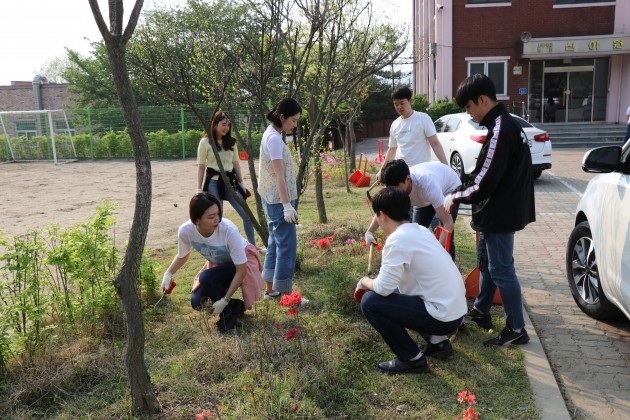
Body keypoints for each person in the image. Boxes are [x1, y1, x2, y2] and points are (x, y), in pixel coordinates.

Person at [444, 73, 535, 347]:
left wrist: (456, 196)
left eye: (469, 107)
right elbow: (485, 171)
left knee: (502, 269)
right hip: (498, 211)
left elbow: (484, 180)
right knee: (487, 263)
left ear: (482, 100)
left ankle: (516, 329)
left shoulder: (500, 130)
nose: (469, 113)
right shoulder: (503, 125)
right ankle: (482, 312)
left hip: (501, 213)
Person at [355, 187, 467, 374]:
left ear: (382, 216)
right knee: (391, 292)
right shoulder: (420, 230)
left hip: (443, 317)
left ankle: (412, 359)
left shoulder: (397, 240)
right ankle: (438, 343)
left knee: (371, 302)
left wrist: (364, 281)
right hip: (454, 310)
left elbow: (382, 289)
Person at [161, 192, 264, 333]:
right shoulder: (186, 231)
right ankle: (236, 307)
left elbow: (241, 269)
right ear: (196, 220)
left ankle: (228, 319)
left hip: (243, 263)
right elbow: (183, 254)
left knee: (207, 278)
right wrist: (168, 273)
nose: (217, 220)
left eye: (218, 214)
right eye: (211, 217)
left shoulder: (228, 230)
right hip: (220, 265)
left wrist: (225, 299)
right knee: (197, 302)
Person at [258, 98, 307, 302]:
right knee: (287, 246)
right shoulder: (274, 140)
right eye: (293, 121)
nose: (295, 125)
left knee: (275, 243)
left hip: (272, 198)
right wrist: (287, 206)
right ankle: (287, 296)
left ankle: (271, 290)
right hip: (279, 201)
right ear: (281, 117)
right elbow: (279, 175)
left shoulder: (273, 134)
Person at [378, 86, 448, 225]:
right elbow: (392, 150)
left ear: (410, 101)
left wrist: (446, 165)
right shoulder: (395, 125)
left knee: (429, 212)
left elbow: (435, 143)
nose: (399, 107)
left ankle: (441, 237)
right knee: (405, 215)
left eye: (402, 103)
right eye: (396, 104)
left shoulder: (423, 118)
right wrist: (382, 169)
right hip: (401, 178)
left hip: (419, 178)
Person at [365, 159, 461, 260]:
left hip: (449, 189)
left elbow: (448, 224)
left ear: (408, 179)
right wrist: (369, 232)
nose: (394, 193)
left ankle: (447, 267)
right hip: (425, 197)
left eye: (397, 188)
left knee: (446, 238)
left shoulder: (428, 184)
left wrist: (437, 252)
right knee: (414, 235)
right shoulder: (396, 184)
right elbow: (383, 209)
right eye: (391, 189)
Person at [197, 111, 257, 246]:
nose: (226, 128)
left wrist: (241, 183)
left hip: (230, 182)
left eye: (228, 125)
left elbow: (236, 164)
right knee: (217, 218)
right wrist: (199, 189)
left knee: (246, 214)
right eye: (223, 124)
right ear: (215, 124)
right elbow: (201, 167)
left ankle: (253, 247)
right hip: (213, 182)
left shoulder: (232, 142)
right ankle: (220, 247)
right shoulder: (205, 142)